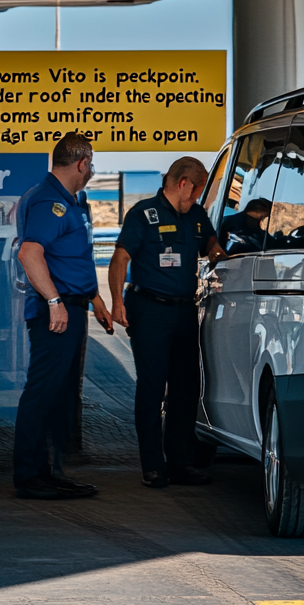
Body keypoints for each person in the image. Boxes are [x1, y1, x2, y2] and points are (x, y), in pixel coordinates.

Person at [109, 157, 225, 488]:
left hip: (185, 311)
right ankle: (153, 464)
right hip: (149, 309)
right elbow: (120, 257)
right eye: (198, 190)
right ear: (183, 183)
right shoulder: (143, 214)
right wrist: (117, 301)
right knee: (152, 385)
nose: (199, 199)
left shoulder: (197, 216)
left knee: (186, 387)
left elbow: (210, 243)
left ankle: (178, 462)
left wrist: (216, 251)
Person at [13, 132, 114, 499]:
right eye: (92, 165)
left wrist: (95, 299)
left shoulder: (72, 200)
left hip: (72, 306)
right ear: (82, 163)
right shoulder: (47, 201)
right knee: (42, 393)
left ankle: (49, 472)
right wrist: (55, 301)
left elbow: (73, 259)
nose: (91, 172)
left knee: (59, 397)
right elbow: (30, 254)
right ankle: (29, 476)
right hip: (54, 312)